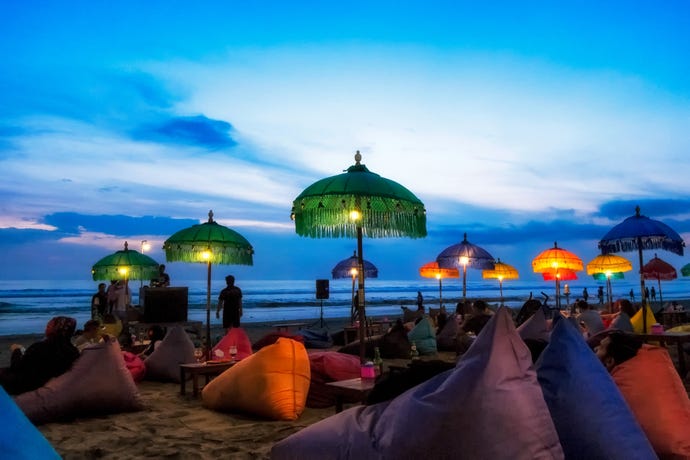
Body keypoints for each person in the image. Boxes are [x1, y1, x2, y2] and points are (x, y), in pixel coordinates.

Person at [0, 316, 80, 395]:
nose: (45, 329)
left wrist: (16, 350)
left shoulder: (41, 347)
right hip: (44, 383)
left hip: (24, 385)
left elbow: (16, 368)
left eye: (48, 326)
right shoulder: (73, 352)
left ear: (53, 329)